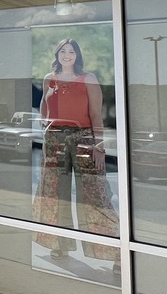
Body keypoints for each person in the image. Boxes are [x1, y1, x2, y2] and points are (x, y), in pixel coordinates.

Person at [32, 39, 119, 264]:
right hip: (54, 141)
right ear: (57, 54)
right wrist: (47, 127)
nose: (67, 55)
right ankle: (59, 244)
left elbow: (96, 114)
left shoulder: (88, 78)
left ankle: (115, 251)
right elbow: (44, 107)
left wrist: (99, 146)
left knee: (93, 193)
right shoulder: (49, 78)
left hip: (84, 138)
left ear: (77, 55)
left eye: (72, 51)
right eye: (63, 51)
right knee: (54, 193)